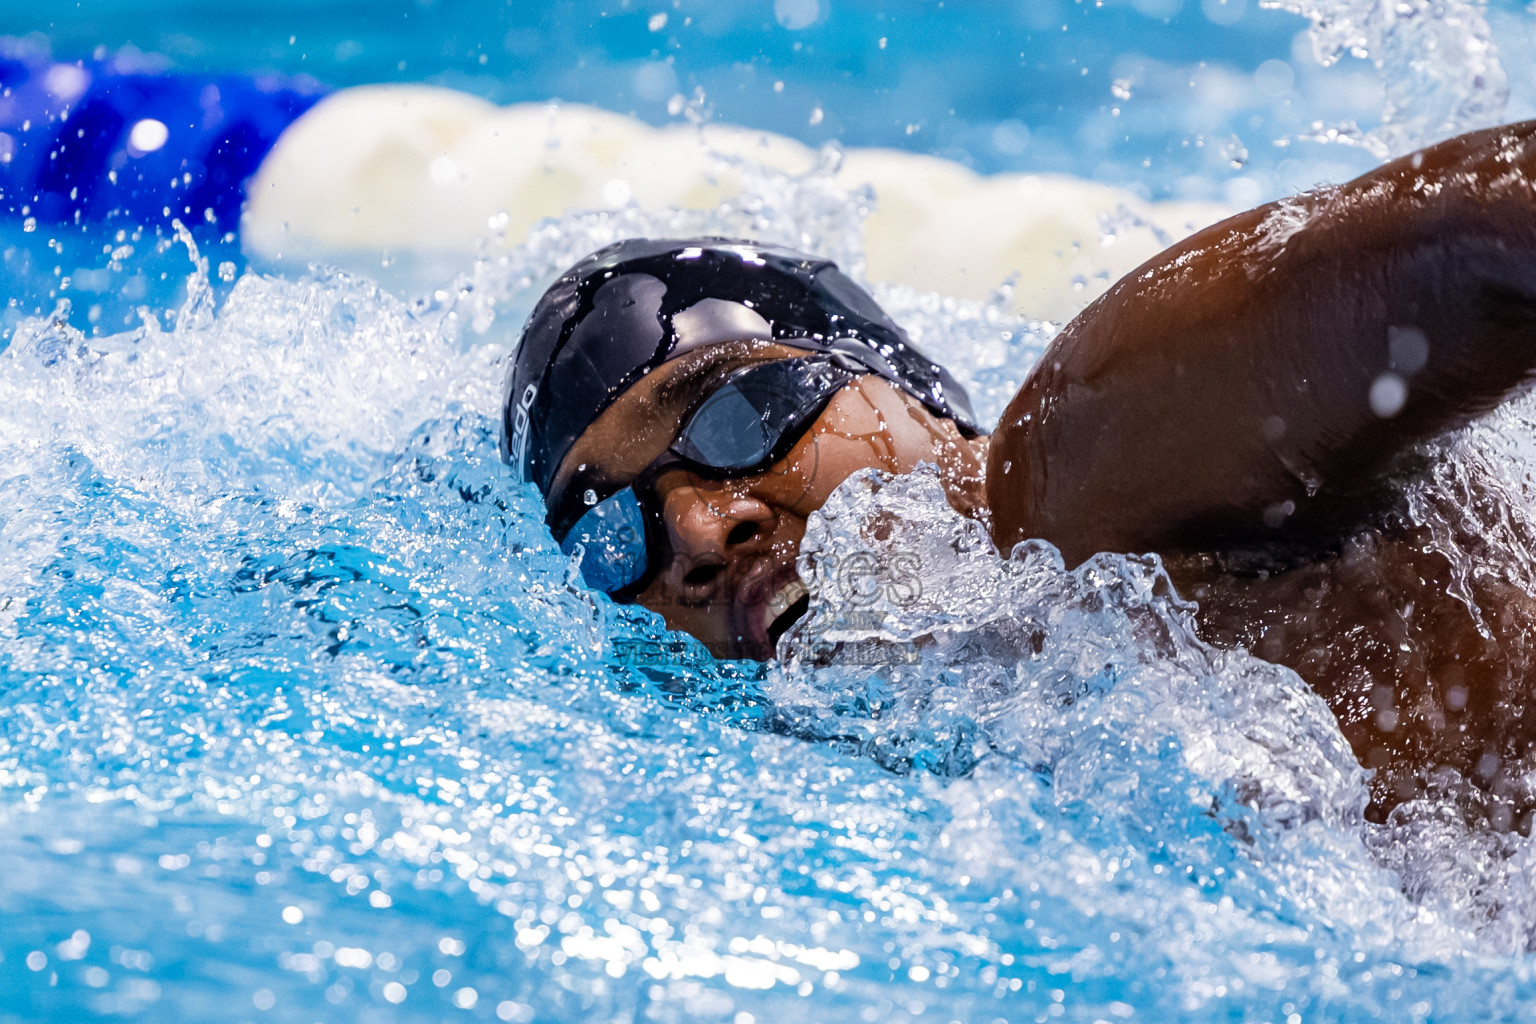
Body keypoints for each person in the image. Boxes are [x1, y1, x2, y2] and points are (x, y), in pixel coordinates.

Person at [506, 120, 1536, 828]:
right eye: (614, 533)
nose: (696, 532)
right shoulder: (962, 746)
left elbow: (1479, 237)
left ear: (899, 387)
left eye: (736, 414)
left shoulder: (1078, 464)